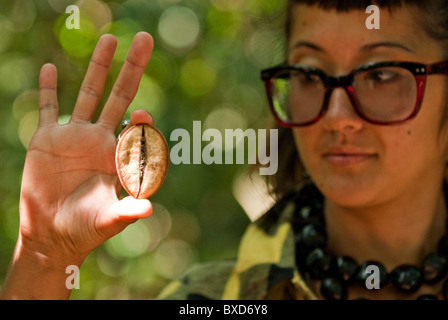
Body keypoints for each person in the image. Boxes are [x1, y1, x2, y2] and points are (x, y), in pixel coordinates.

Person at [2, 0, 448, 300]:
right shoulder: (212, 299)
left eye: (382, 74)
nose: (337, 115)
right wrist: (44, 258)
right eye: (310, 75)